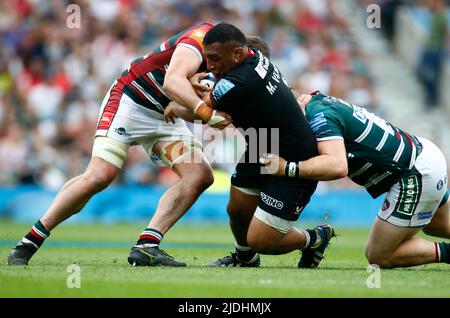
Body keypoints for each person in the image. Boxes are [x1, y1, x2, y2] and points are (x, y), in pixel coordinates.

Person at [7, 22, 233, 267]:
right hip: (130, 102)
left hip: (164, 117)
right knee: (100, 175)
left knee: (199, 175)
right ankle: (29, 241)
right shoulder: (200, 38)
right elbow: (172, 82)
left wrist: (190, 108)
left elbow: (184, 109)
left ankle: (147, 246)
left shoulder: (230, 68)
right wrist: (205, 112)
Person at [168, 23, 336, 269]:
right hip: (261, 142)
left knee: (260, 240)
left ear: (237, 54)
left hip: (293, 153)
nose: (210, 66)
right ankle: (244, 258)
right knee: (237, 209)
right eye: (207, 59)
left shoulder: (239, 82)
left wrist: (177, 106)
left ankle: (316, 238)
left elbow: (213, 118)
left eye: (214, 59)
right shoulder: (252, 56)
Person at [260, 91, 450, 268]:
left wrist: (287, 168)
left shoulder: (319, 116)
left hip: (415, 172)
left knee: (379, 255)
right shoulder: (318, 102)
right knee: (439, 227)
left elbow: (337, 165)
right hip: (423, 153)